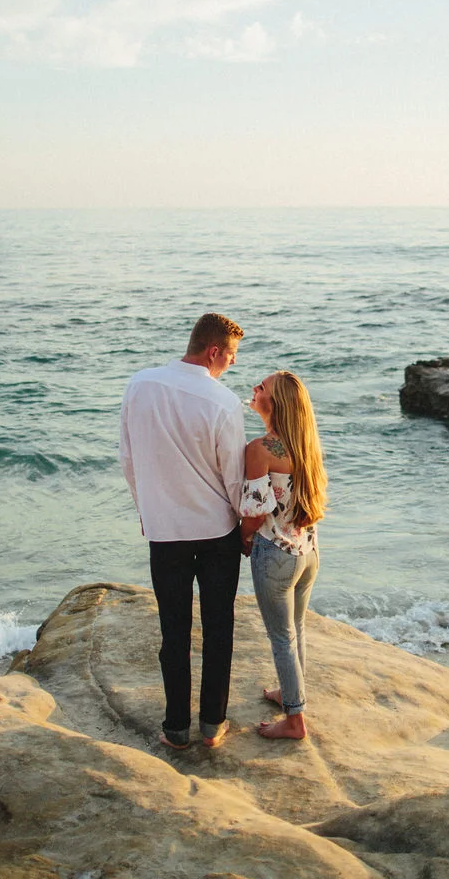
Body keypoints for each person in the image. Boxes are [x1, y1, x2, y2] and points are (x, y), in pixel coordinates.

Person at [119, 312, 245, 750]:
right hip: (216, 534)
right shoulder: (223, 402)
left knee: (173, 630)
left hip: (165, 531)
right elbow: (234, 480)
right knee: (218, 627)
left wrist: (147, 510)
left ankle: (175, 727)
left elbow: (129, 458)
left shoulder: (140, 384)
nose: (230, 365)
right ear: (214, 352)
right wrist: (243, 528)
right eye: (230, 357)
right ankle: (212, 724)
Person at [239, 370, 327, 740]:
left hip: (275, 554)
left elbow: (255, 510)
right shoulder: (307, 446)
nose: (255, 389)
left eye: (262, 387)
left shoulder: (260, 450)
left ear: (273, 404)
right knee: (296, 630)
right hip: (308, 553)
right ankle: (292, 696)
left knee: (281, 637)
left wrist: (242, 541)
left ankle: (294, 722)